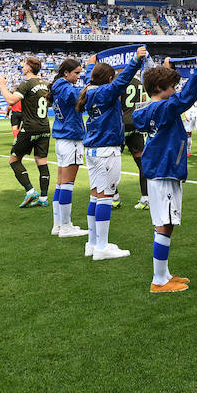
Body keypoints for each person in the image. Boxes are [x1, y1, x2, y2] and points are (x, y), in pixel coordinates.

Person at [130, 60, 197, 292]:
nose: (174, 91)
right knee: (164, 223)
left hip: (162, 170)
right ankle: (158, 280)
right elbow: (186, 98)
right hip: (163, 171)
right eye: (171, 87)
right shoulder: (161, 108)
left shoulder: (150, 109)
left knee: (167, 222)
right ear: (158, 89)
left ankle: (163, 273)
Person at [79, 49, 147, 261]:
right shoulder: (104, 92)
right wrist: (136, 60)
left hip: (92, 149)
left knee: (95, 195)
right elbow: (122, 81)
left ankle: (92, 243)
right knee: (106, 197)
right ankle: (102, 247)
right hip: (106, 150)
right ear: (109, 79)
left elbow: (100, 77)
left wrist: (91, 65)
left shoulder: (89, 90)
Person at [0, 57, 51, 208]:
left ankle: (30, 190)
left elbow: (11, 100)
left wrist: (2, 85)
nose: (22, 66)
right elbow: (50, 103)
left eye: (24, 65)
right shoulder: (46, 84)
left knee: (14, 160)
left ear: (29, 68)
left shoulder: (27, 84)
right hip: (45, 127)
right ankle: (43, 198)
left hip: (29, 127)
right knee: (41, 161)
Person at [48, 58, 89, 237]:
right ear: (66, 73)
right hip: (70, 139)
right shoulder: (65, 88)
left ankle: (58, 224)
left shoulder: (58, 87)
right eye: (76, 73)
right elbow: (83, 95)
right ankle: (65, 227)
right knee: (67, 185)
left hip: (62, 139)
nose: (78, 77)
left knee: (60, 184)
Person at [122, 67, 148, 210]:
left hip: (122, 125)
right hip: (136, 123)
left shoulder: (120, 80)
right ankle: (146, 198)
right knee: (141, 163)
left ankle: (113, 198)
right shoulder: (139, 82)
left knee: (111, 162)